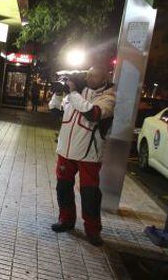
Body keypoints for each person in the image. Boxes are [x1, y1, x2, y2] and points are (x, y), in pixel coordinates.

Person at [51, 64, 116, 246]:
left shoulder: (109, 96)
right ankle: (66, 220)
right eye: (88, 75)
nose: (89, 78)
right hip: (66, 151)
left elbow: (94, 114)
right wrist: (57, 93)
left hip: (89, 155)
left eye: (94, 76)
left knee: (90, 195)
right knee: (63, 188)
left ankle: (93, 230)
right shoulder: (78, 92)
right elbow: (56, 111)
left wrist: (72, 93)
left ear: (105, 78)